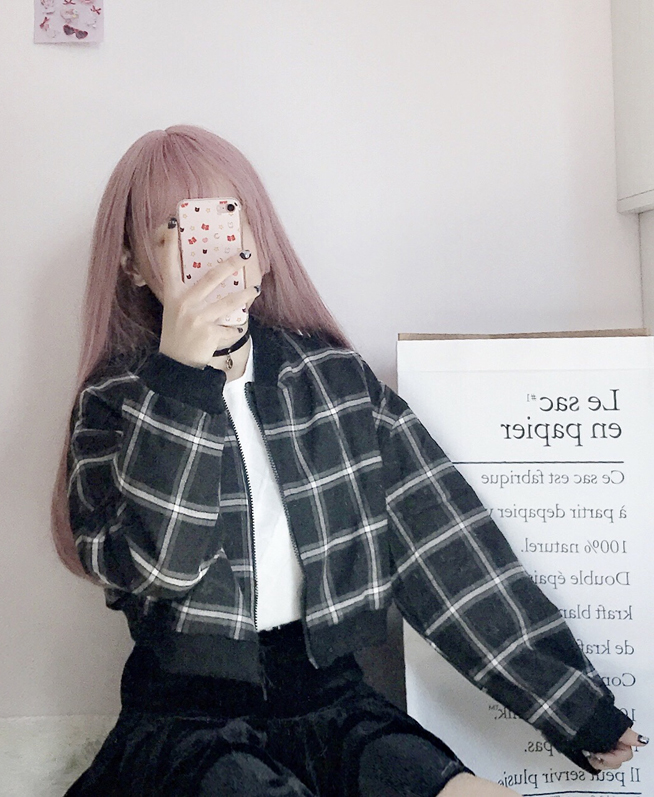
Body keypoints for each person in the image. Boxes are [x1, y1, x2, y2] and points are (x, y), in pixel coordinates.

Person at [52, 126, 646, 797]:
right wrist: (184, 378)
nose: (212, 247)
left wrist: (575, 706)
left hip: (331, 704)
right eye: (177, 227)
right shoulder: (114, 401)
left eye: (228, 217)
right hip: (186, 721)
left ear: (259, 244)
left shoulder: (335, 381)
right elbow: (161, 566)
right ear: (133, 264)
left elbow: (444, 547)